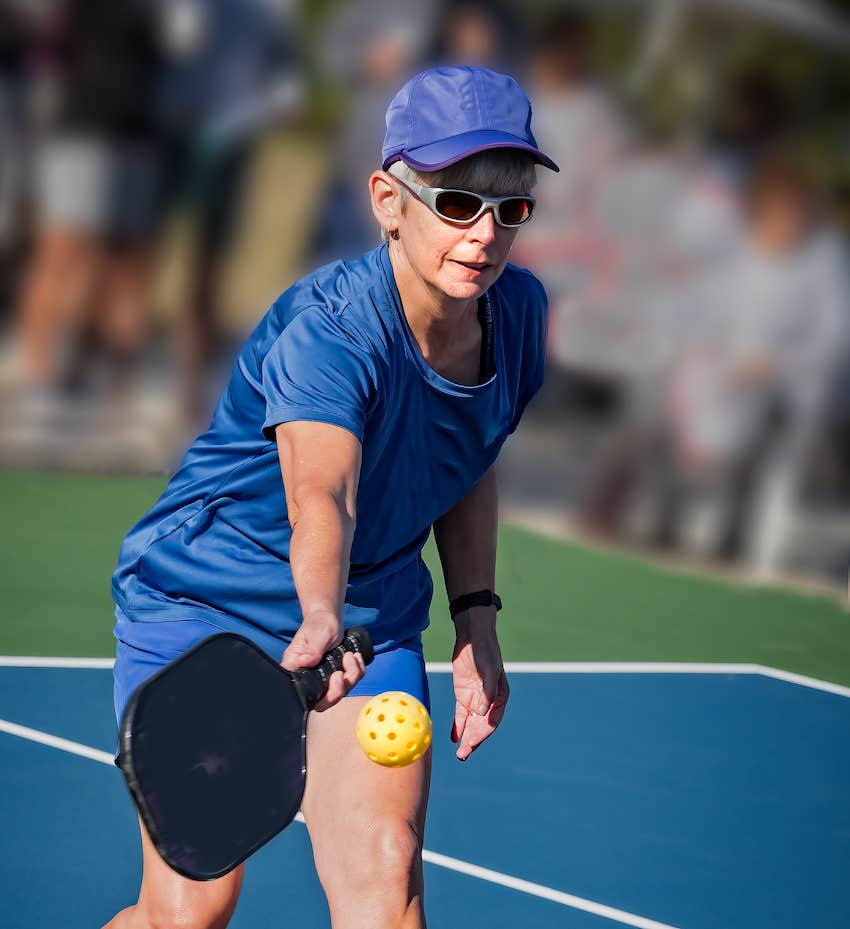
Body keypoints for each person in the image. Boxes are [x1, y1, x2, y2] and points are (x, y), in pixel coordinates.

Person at [103, 65, 557, 929]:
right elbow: (324, 494)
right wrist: (316, 612)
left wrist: (476, 620)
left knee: (385, 890)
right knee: (190, 909)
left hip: (369, 614)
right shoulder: (331, 331)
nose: (487, 232)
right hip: (210, 601)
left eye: (513, 206)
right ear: (389, 199)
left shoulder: (520, 317)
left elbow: (464, 457)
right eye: (458, 202)